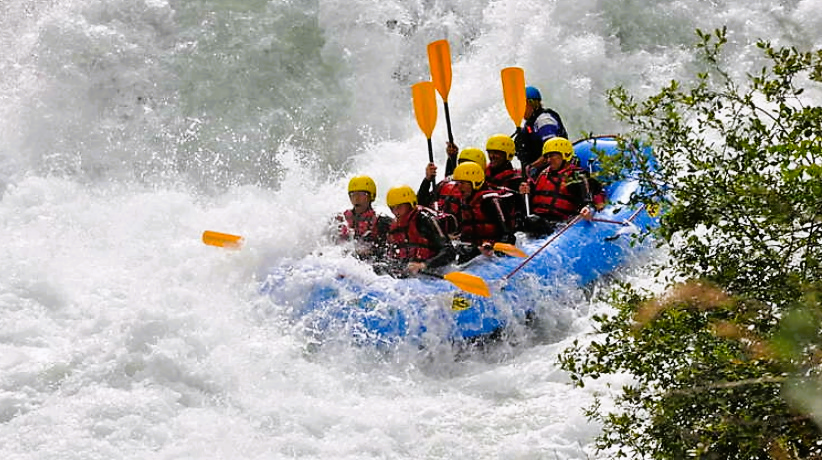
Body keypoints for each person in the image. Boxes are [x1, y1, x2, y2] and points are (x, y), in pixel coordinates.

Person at [519, 137, 606, 236]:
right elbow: (531, 204)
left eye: (552, 156)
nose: (549, 160)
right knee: (528, 221)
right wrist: (524, 194)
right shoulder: (541, 174)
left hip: (559, 224)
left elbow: (589, 199)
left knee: (534, 222)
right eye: (547, 157)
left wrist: (589, 209)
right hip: (539, 221)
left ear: (565, 155)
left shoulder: (576, 176)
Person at [381, 185, 456, 277]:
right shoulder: (395, 227)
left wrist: (424, 265)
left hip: (436, 269)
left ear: (411, 204)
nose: (396, 212)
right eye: (392, 208)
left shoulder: (424, 220)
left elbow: (450, 252)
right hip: (414, 273)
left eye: (400, 206)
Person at [451, 162, 517, 263]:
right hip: (477, 251)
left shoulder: (490, 202)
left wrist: (492, 247)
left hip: (493, 253)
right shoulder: (463, 202)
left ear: (475, 183)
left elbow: (508, 235)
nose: (458, 187)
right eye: (457, 183)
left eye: (462, 183)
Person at [332, 175, 394, 261]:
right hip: (343, 261)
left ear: (371, 196)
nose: (356, 198)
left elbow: (388, 250)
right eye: (353, 194)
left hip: (370, 263)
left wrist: (371, 251)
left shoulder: (382, 221)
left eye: (362, 194)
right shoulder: (341, 219)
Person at [418, 146, 487, 218]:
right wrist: (427, 180)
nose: (463, 168)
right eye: (461, 164)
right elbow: (422, 202)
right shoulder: (446, 184)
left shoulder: (485, 195)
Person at [514, 86, 568, 170]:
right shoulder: (530, 123)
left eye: (521, 105)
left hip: (554, 169)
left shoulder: (544, 120)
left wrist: (531, 167)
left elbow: (553, 152)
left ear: (532, 104)